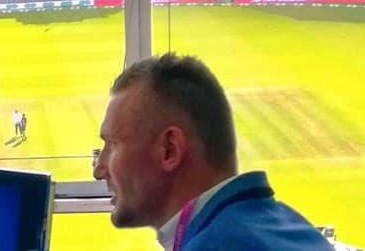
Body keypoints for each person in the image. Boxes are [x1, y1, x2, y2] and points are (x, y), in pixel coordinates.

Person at [92, 53, 329, 251]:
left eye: (113, 144)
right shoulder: (292, 227)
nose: (99, 170)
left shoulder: (216, 245)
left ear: (169, 149)